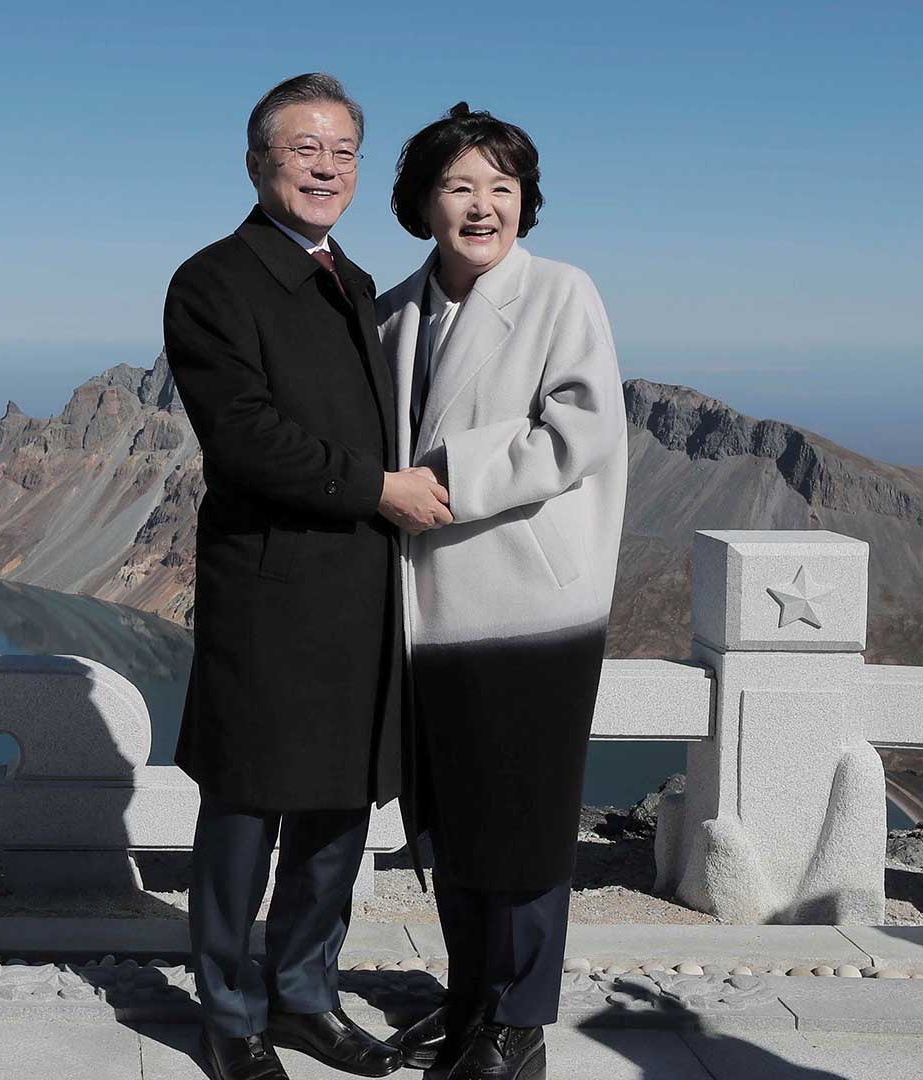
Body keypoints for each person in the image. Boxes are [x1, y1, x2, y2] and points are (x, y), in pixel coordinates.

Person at [165, 73, 452, 1080]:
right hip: (271, 585)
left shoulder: (360, 282)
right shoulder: (213, 282)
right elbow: (244, 440)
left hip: (363, 591)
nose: (327, 167)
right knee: (247, 807)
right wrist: (378, 489)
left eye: (343, 152)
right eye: (304, 149)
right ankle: (230, 1016)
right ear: (259, 165)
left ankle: (304, 996)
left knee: (338, 809)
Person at [374, 104, 628, 1079]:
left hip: (528, 601)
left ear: (525, 202)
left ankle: (519, 1022)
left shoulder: (563, 293)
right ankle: (469, 996)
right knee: (447, 814)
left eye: (502, 188)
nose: (483, 206)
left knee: (520, 814)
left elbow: (581, 431)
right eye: (459, 186)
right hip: (427, 607)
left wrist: (444, 478)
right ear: (422, 202)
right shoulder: (395, 309)